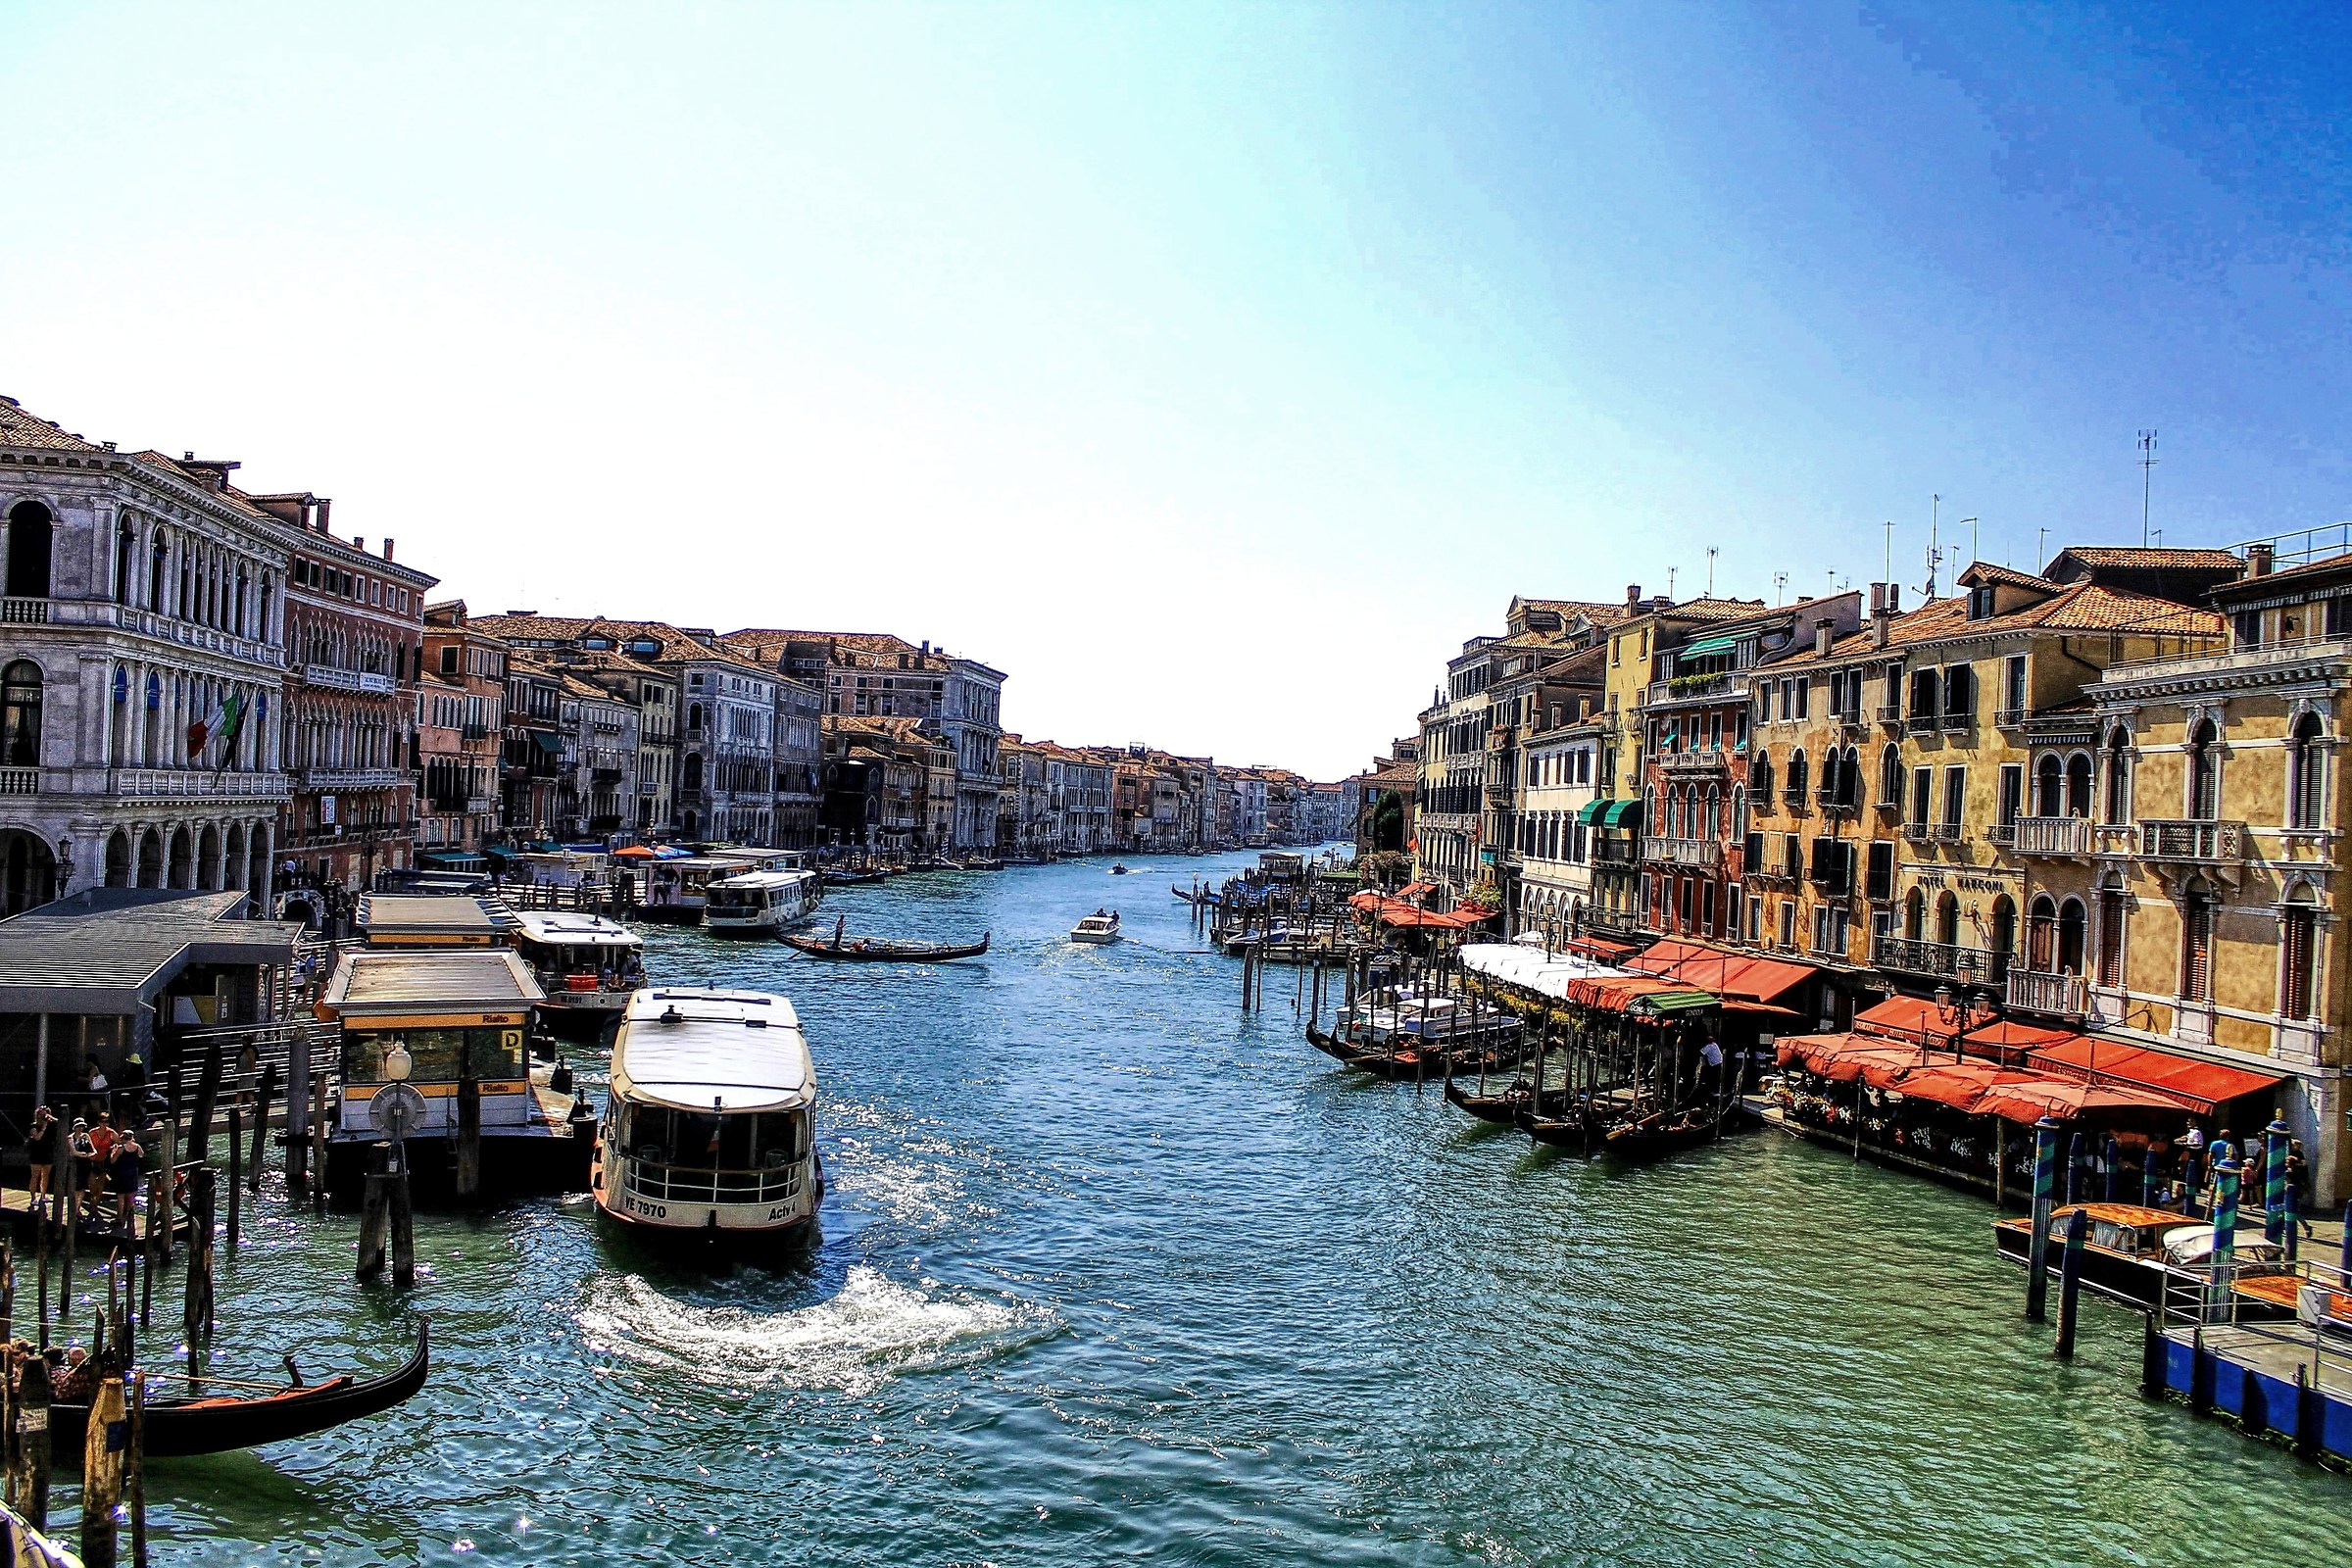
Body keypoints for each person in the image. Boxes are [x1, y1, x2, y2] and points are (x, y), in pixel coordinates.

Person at [109, 1134, 143, 1232]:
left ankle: (119, 1218)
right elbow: (141, 1155)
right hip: (133, 1173)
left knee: (120, 1197)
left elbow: (112, 1160)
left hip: (122, 1173)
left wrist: (113, 1151)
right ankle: (127, 1215)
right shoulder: (137, 1146)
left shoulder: (120, 1148)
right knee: (130, 1195)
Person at [24, 1104, 56, 1200]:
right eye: (41, 1115)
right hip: (36, 1153)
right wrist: (43, 1128)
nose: (43, 1117)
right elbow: (37, 1137)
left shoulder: (51, 1126)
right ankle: (33, 1197)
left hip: (48, 1152)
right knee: (35, 1176)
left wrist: (50, 1118)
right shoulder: (33, 1126)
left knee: (45, 1176)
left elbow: (59, 1122)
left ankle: (43, 1195)